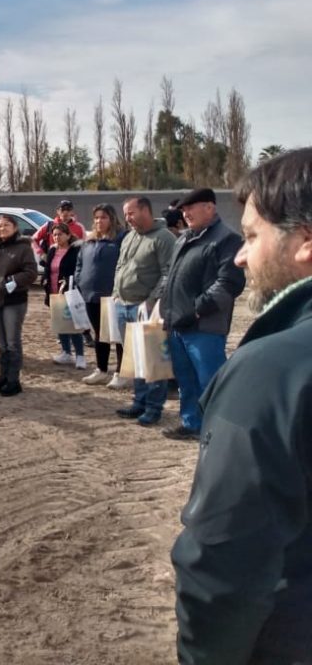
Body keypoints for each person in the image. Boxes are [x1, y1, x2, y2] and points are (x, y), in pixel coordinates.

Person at [172, 147, 312, 664]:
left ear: (305, 241)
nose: (240, 254)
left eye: (252, 236)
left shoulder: (271, 371)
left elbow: (223, 562)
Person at [155, 188, 246, 441]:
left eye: (190, 208)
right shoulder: (184, 239)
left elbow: (229, 283)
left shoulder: (227, 239)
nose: (185, 214)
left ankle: (219, 431)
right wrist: (162, 303)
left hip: (204, 327)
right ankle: (191, 423)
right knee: (186, 381)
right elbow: (170, 274)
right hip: (176, 324)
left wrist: (197, 310)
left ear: (210, 207)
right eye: (183, 210)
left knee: (211, 381)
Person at [112, 197, 176, 424]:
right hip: (124, 305)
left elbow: (168, 273)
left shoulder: (164, 238)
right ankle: (139, 402)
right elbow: (120, 267)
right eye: (126, 214)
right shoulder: (129, 237)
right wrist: (116, 294)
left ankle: (153, 407)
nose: (127, 218)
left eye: (131, 213)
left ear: (145, 210)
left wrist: (151, 301)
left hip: (147, 309)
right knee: (136, 359)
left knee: (152, 360)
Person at [0, 213, 37, 397]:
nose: (2, 229)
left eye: (6, 225)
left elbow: (31, 272)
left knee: (13, 342)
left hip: (14, 300)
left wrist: (13, 281)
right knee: (2, 343)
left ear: (14, 227)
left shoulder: (23, 247)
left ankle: (14, 381)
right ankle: (3, 377)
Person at [76, 204, 125, 386]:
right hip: (91, 295)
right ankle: (102, 369)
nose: (99, 221)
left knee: (118, 335)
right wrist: (81, 281)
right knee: (100, 334)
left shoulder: (121, 239)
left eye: (103, 217)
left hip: (113, 295)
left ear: (112, 219)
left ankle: (121, 372)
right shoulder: (89, 241)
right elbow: (80, 263)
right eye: (96, 218)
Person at [44, 222, 86, 369]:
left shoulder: (76, 250)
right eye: (54, 235)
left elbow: (79, 270)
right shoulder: (52, 250)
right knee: (60, 324)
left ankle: (80, 355)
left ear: (68, 235)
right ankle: (66, 352)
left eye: (60, 234)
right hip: (55, 292)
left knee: (73, 325)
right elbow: (48, 269)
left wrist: (71, 283)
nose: (56, 237)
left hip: (70, 291)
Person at [32, 199, 86, 268]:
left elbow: (85, 246)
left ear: (72, 212)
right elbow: (33, 239)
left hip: (72, 266)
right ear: (58, 211)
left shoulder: (79, 227)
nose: (65, 212)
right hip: (53, 265)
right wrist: (42, 254)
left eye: (68, 209)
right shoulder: (49, 225)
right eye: (62, 209)